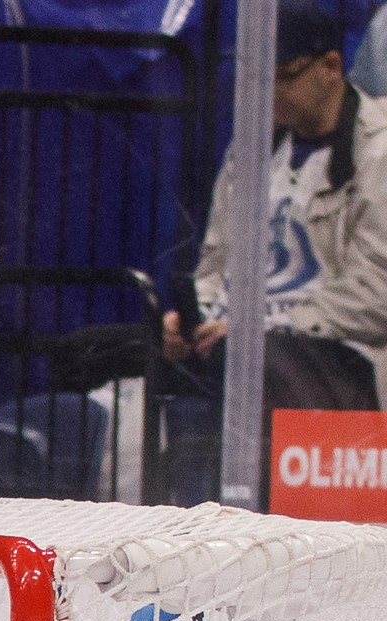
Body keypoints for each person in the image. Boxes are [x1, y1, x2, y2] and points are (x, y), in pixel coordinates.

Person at [165, 0, 387, 435]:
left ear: (331, 66)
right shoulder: (250, 147)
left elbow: (375, 294)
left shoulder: (379, 153)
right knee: (110, 347)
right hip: (235, 340)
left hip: (335, 353)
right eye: (259, 78)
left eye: (285, 76)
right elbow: (213, 264)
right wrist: (194, 319)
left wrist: (260, 328)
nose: (270, 93)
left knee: (253, 358)